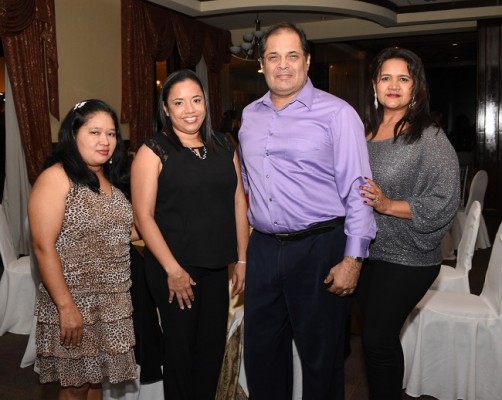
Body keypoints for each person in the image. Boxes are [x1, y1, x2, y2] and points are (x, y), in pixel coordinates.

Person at [238, 22, 376, 399]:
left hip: (319, 248)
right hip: (264, 248)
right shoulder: (250, 116)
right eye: (273, 57)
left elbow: (358, 191)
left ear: (308, 61)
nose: (283, 65)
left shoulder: (338, 114)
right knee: (262, 356)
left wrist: (353, 259)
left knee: (321, 361)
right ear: (262, 65)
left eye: (292, 55)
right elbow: (249, 186)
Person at [131, 69, 248, 400]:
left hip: (216, 264)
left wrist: (242, 257)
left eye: (196, 100)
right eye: (178, 102)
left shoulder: (225, 144)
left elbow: (238, 201)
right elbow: (144, 217)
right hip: (173, 268)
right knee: (181, 354)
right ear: (166, 109)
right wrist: (173, 269)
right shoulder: (154, 150)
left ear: (206, 103)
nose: (189, 109)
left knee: (211, 350)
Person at [357, 47, 460, 399]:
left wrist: (387, 204)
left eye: (403, 78)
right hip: (370, 251)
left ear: (416, 87)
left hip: (410, 256)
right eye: (386, 78)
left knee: (376, 338)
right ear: (374, 85)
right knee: (374, 341)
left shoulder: (427, 136)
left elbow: (445, 200)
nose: (394, 86)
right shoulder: (367, 131)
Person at [28, 99, 138, 399]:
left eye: (112, 133)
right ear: (73, 134)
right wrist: (66, 307)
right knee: (75, 388)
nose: (105, 141)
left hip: (111, 302)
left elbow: (123, 231)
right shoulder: (57, 177)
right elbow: (42, 246)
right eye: (95, 132)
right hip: (73, 300)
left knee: (95, 384)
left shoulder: (109, 177)